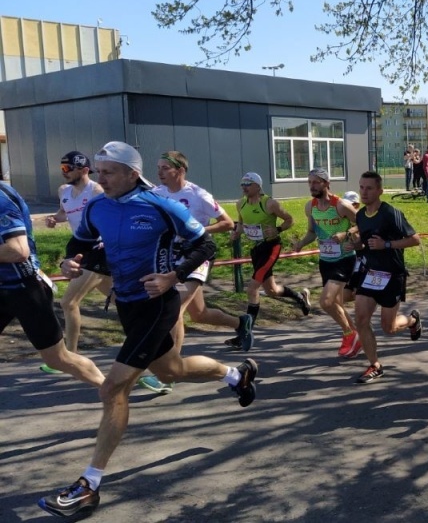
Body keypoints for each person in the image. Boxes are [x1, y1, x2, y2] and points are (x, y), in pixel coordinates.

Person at [39, 141, 257, 519]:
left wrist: (173, 274)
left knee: (113, 387)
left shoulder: (161, 205)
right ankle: (236, 375)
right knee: (171, 370)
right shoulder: (98, 205)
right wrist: (69, 260)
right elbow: (83, 243)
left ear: (130, 173)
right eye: (99, 171)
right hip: (127, 304)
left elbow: (204, 245)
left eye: (108, 172)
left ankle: (89, 485)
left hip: (159, 303)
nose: (100, 178)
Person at [141, 150, 254, 394]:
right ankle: (240, 322)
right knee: (199, 314)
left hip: (197, 255)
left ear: (179, 171)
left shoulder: (198, 194)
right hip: (172, 256)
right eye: (158, 167)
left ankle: (169, 374)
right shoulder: (157, 194)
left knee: (175, 309)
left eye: (164, 168)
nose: (159, 172)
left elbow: (227, 223)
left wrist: (198, 231)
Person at [0, 181, 105, 387]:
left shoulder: (2, 199)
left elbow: (18, 250)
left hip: (24, 289)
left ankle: (110, 389)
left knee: (58, 359)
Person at [345, 171, 423, 384]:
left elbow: (415, 239)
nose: (364, 192)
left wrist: (386, 245)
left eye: (369, 188)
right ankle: (375, 365)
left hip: (392, 275)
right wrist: (356, 245)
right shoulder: (360, 215)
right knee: (361, 319)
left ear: (380, 190)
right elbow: (366, 242)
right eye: (361, 187)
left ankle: (412, 320)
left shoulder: (390, 213)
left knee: (389, 328)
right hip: (370, 274)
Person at [42, 151, 113, 374]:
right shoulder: (63, 191)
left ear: (84, 170)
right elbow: (64, 212)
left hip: (98, 251)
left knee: (68, 302)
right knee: (125, 302)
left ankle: (69, 358)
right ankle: (154, 331)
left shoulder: (97, 191)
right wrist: (55, 219)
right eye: (61, 168)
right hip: (81, 250)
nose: (63, 173)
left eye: (67, 168)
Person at [292, 168, 362, 359]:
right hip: (326, 260)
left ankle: (350, 334)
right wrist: (300, 244)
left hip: (345, 259)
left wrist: (346, 234)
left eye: (315, 182)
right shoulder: (311, 207)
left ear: (326, 183)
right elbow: (312, 232)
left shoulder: (341, 205)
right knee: (337, 303)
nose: (311, 186)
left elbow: (363, 223)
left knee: (326, 302)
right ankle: (358, 338)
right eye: (309, 183)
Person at [231, 171, 311, 333]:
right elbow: (240, 223)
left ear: (258, 186)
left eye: (248, 184)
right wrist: (236, 233)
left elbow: (290, 219)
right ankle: (299, 297)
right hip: (256, 249)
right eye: (242, 184)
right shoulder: (241, 204)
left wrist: (278, 229)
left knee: (252, 288)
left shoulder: (270, 203)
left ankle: (246, 332)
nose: (244, 187)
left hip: (271, 247)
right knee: (271, 290)